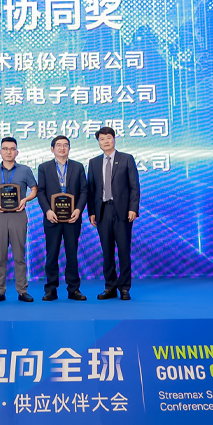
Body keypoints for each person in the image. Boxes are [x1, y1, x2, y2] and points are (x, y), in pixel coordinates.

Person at [87, 126, 140, 301]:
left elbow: (134, 186)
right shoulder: (94, 162)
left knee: (123, 250)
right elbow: (91, 190)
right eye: (102, 139)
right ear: (98, 142)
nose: (106, 141)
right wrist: (92, 212)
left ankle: (124, 287)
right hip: (103, 211)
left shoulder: (126, 159)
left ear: (114, 139)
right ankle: (110, 287)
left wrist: (133, 208)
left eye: (108, 138)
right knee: (107, 251)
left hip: (123, 211)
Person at [0, 137, 38, 303]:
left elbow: (34, 189)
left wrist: (25, 200)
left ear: (17, 152)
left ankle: (22, 291)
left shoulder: (25, 170)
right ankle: (0, 291)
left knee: (19, 255)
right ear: (0, 152)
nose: (8, 152)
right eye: (5, 149)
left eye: (12, 149)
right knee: (0, 256)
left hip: (18, 215)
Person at [36, 135, 88, 301]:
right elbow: (41, 191)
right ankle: (51, 289)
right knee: (52, 254)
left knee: (72, 254)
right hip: (52, 218)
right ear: (52, 149)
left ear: (69, 148)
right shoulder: (44, 167)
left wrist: (78, 210)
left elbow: (84, 191)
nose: (62, 148)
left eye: (65, 145)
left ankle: (74, 289)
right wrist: (47, 211)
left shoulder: (78, 167)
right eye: (58, 145)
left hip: (72, 218)